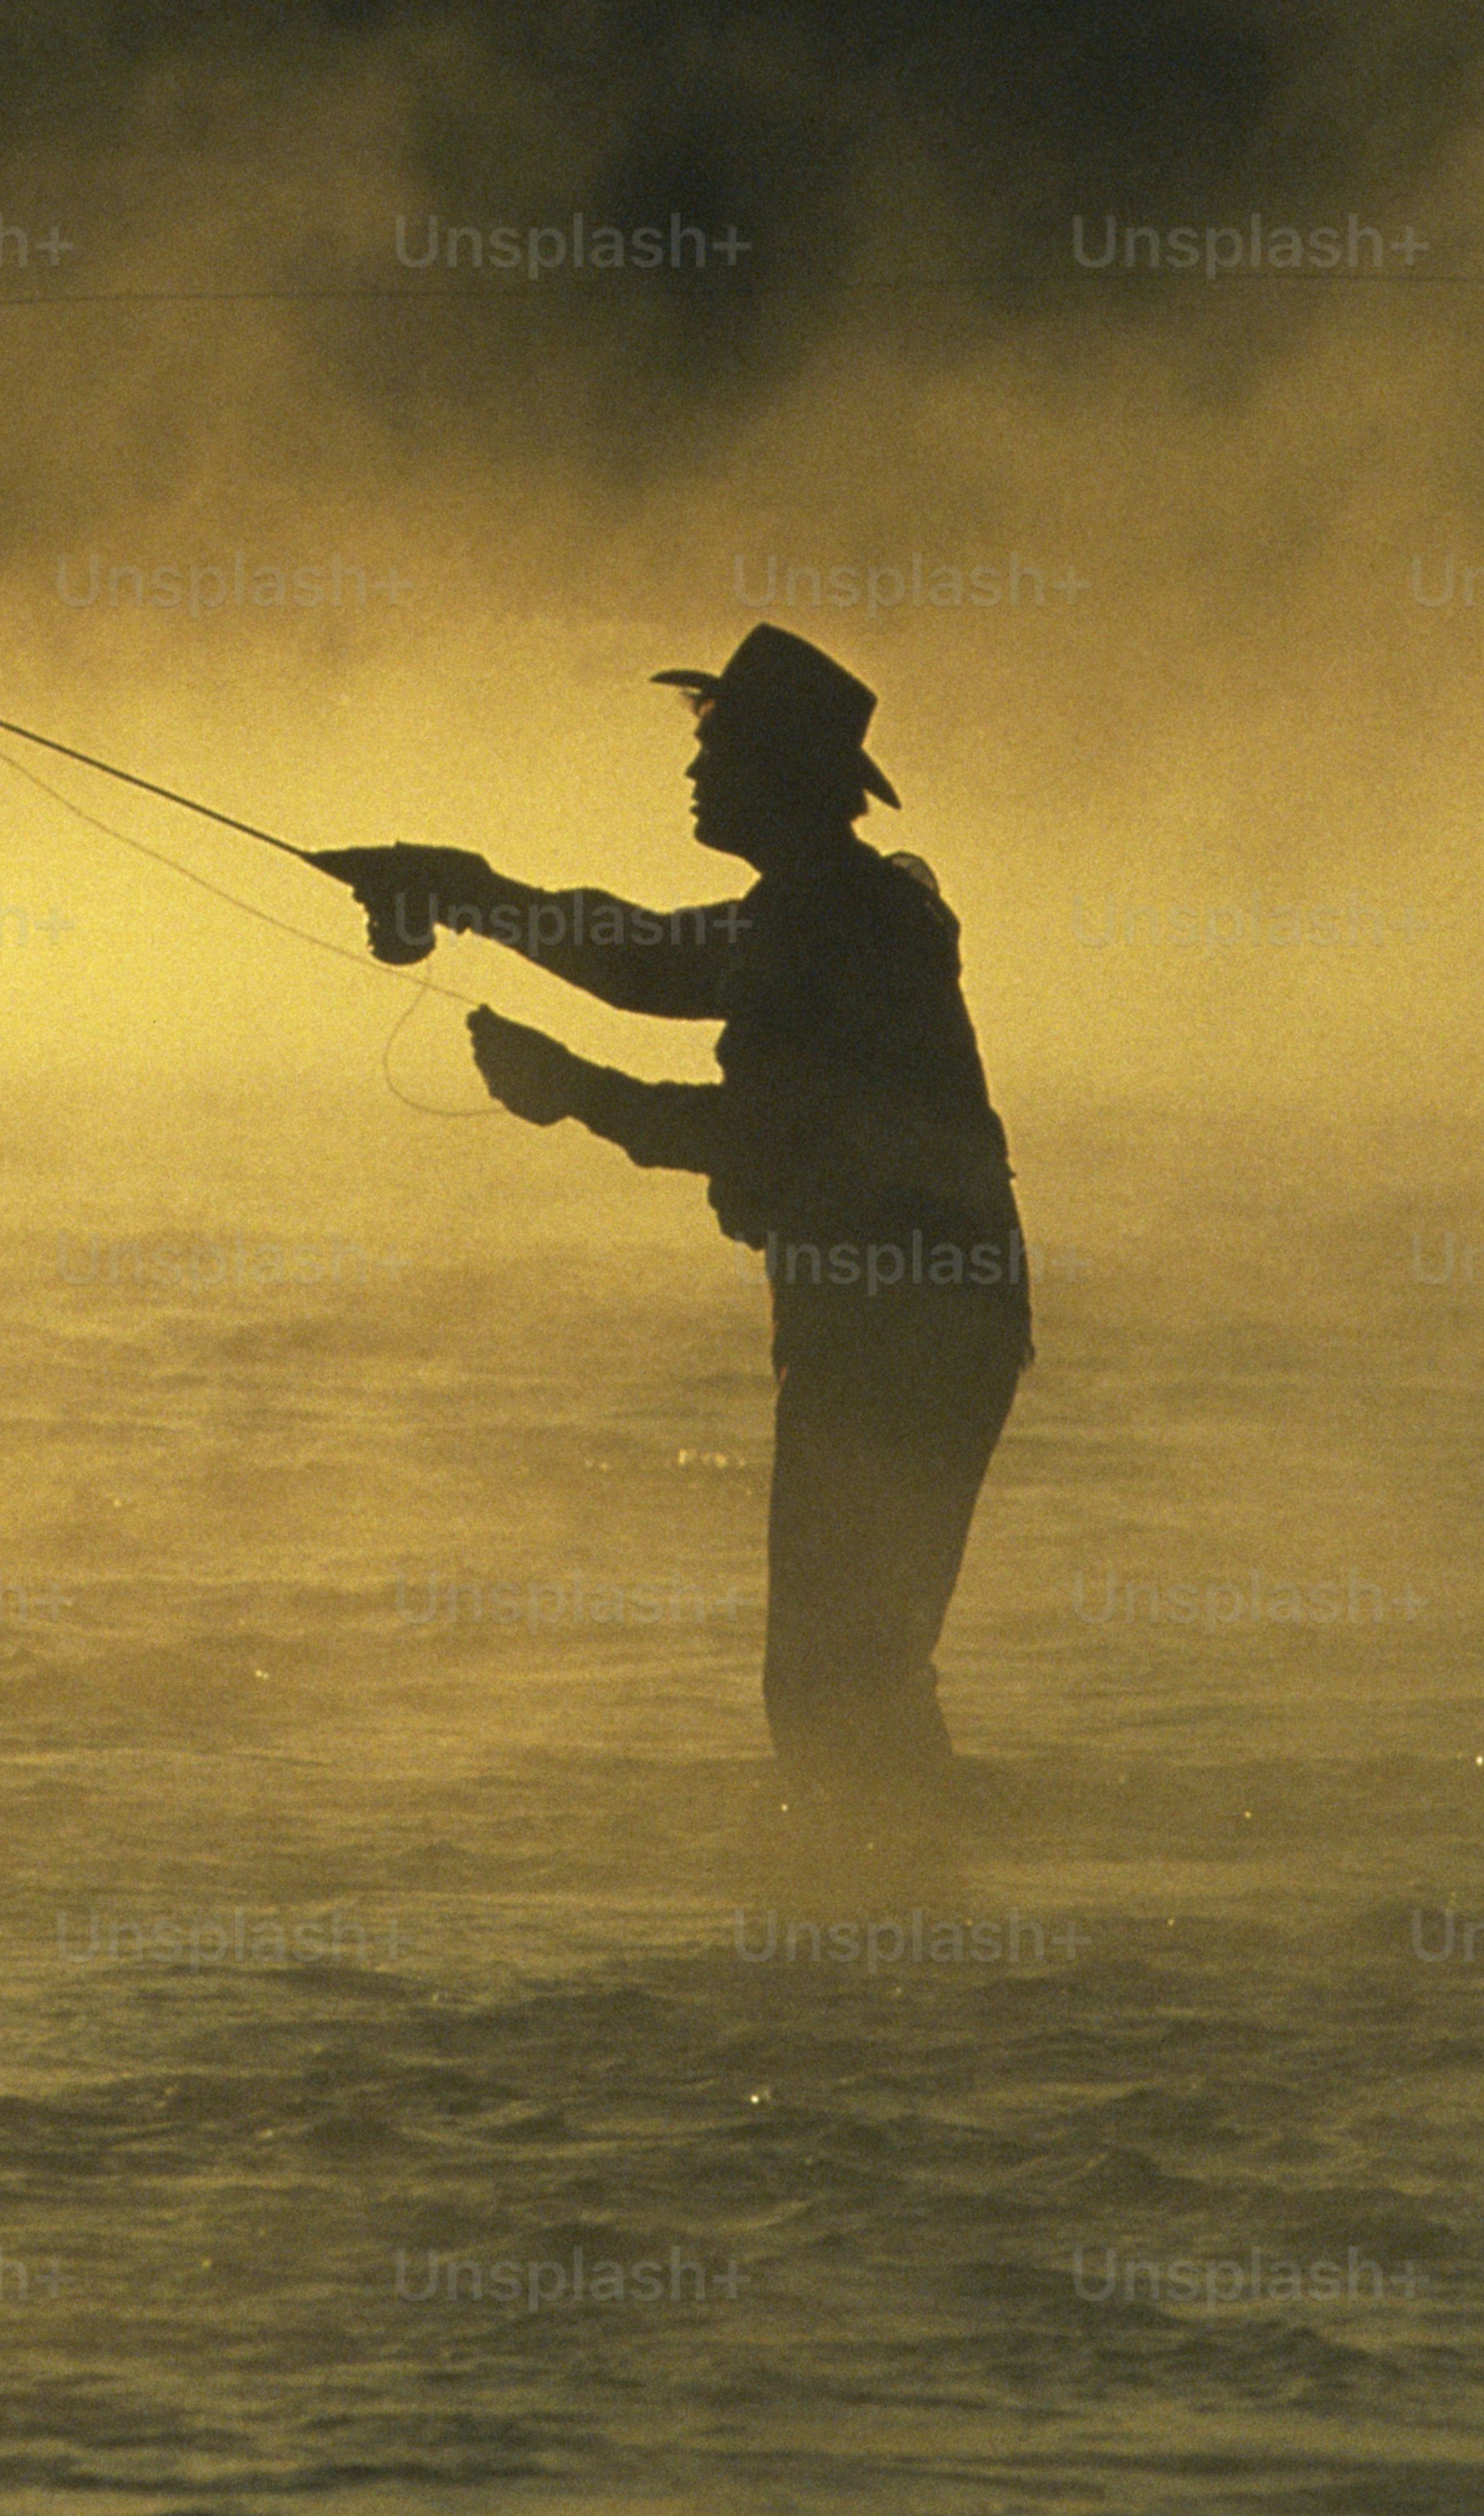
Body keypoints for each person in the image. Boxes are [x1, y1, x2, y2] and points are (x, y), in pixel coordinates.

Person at [315, 621, 1032, 1796]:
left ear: (778, 778)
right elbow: (646, 960)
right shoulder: (824, 906)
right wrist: (465, 889)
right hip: (915, 1322)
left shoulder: (836, 925)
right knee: (859, 1672)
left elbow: (760, 1135)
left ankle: (896, 1928)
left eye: (719, 752)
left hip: (903, 1332)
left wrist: (573, 1093)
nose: (695, 775)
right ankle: (919, 1918)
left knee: (830, 1682)